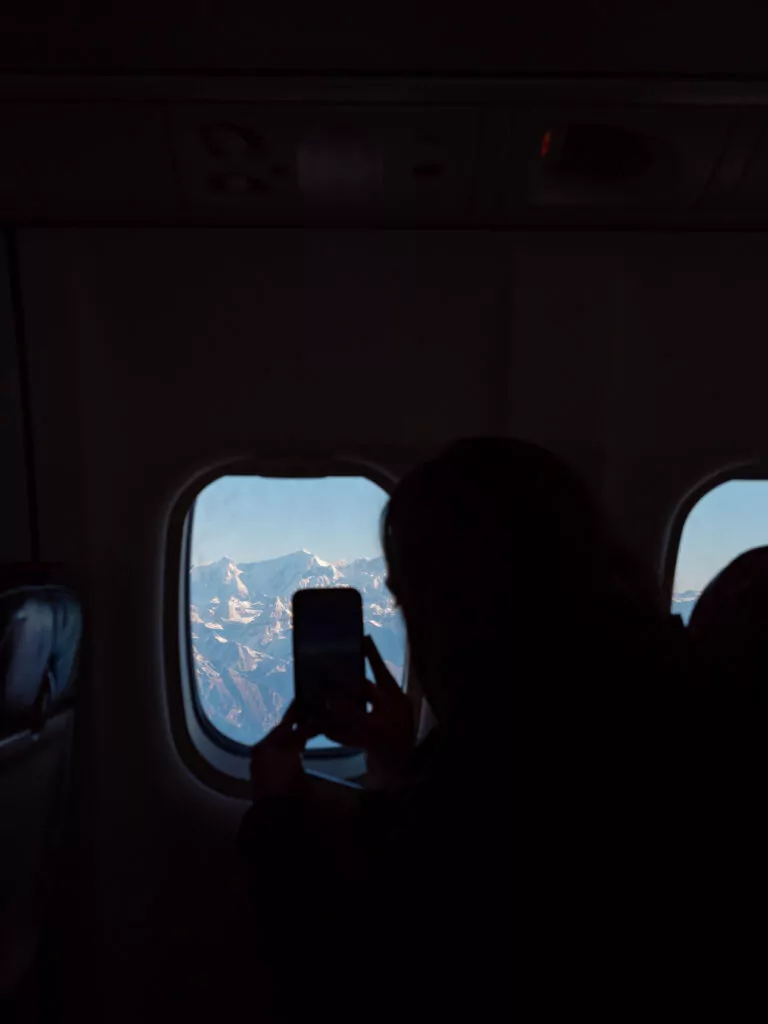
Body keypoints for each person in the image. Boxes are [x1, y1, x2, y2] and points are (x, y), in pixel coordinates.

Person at [239, 438, 689, 1018]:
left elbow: (337, 985)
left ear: (460, 613)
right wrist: (404, 762)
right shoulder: (630, 709)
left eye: (409, 604)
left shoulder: (524, 786)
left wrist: (275, 819)